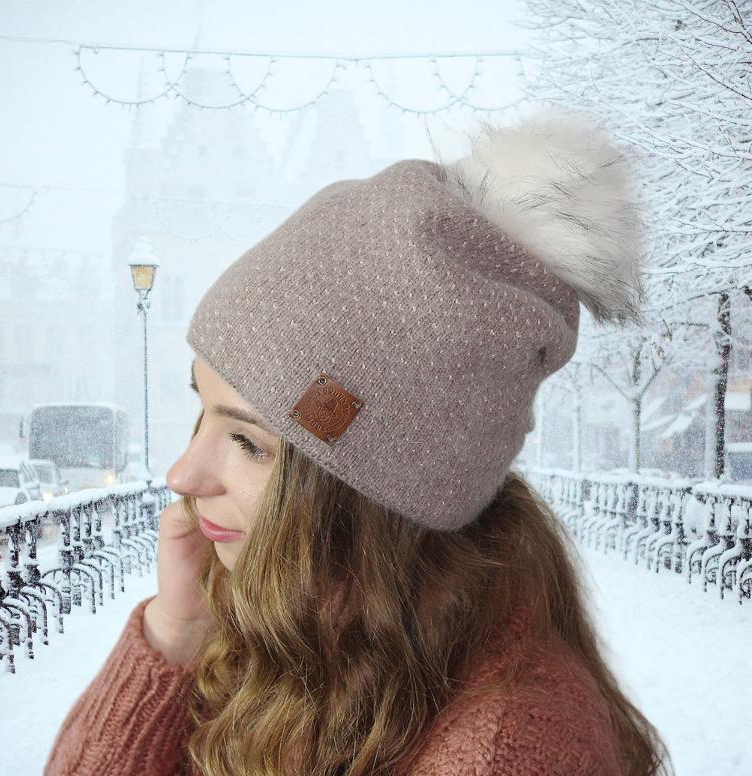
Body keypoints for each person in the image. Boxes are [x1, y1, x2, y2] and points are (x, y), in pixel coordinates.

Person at [44, 109, 674, 776]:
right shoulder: (309, 628)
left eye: (249, 442)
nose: (182, 474)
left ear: (377, 490)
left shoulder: (501, 755)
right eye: (202, 412)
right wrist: (175, 633)